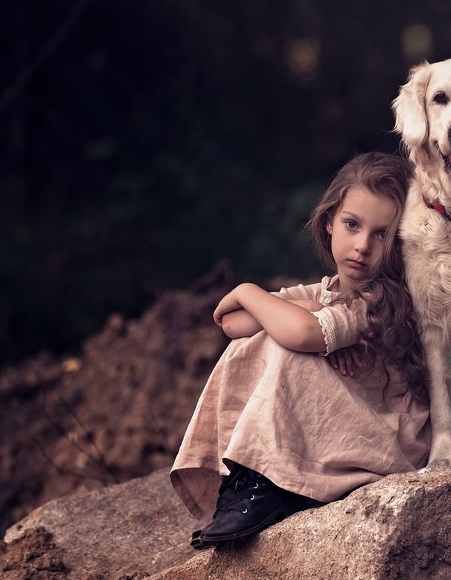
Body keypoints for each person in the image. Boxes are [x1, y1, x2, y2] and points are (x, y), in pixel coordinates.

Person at [171, 152, 430, 549]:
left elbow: (302, 334)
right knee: (263, 336)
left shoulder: (382, 301)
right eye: (352, 224)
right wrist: (306, 308)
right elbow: (232, 322)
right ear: (329, 222)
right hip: (340, 431)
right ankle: (254, 475)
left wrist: (248, 291)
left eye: (382, 235)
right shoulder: (322, 292)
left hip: (383, 437)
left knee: (286, 343)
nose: (362, 246)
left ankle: (269, 482)